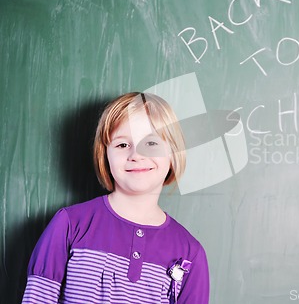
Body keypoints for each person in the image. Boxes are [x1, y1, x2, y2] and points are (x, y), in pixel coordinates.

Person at [22, 92, 210, 303]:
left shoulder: (190, 252)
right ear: (105, 154)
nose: (136, 155)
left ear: (173, 153)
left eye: (151, 144)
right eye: (122, 145)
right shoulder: (69, 224)